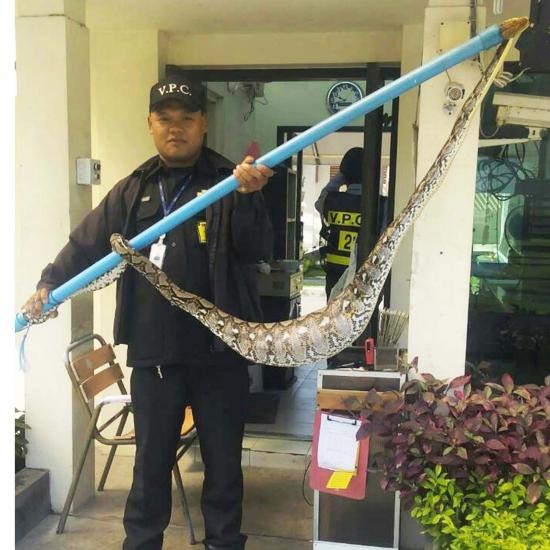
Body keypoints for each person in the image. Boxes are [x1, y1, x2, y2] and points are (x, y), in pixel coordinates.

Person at [22, 74, 274, 550]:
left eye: (186, 118)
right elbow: (85, 244)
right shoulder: (131, 190)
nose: (175, 128)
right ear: (150, 124)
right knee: (150, 467)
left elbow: (257, 248)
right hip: (155, 354)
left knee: (224, 468)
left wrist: (248, 198)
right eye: (165, 119)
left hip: (219, 354)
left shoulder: (230, 181)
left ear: (203, 124)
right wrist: (49, 283)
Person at [317, 147, 363, 299]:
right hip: (362, 274)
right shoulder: (380, 205)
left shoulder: (329, 200)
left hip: (334, 273)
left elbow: (321, 198)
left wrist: (343, 174)